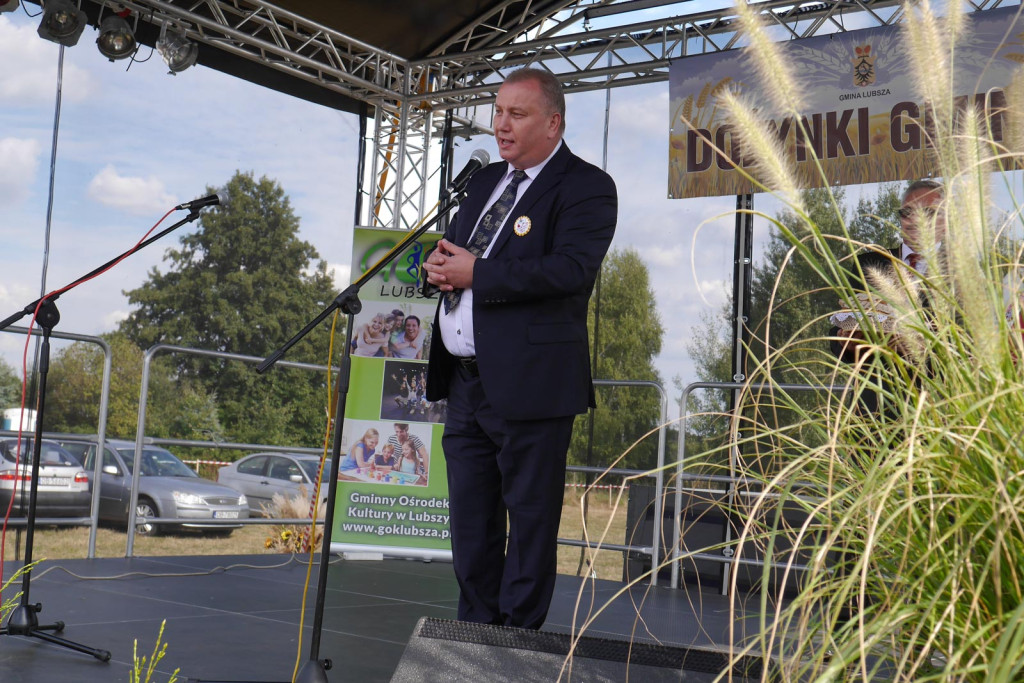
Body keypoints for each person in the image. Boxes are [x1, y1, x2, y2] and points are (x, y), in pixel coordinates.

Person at [421, 67, 617, 629]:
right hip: (465, 384)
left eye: (516, 114)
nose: (499, 126)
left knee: (528, 528)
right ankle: (472, 643)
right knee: (471, 529)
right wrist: (438, 268)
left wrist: (477, 272)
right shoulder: (483, 184)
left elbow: (569, 271)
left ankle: (517, 651)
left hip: (532, 385)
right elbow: (458, 258)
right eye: (497, 112)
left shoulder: (587, 186)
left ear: (552, 123)